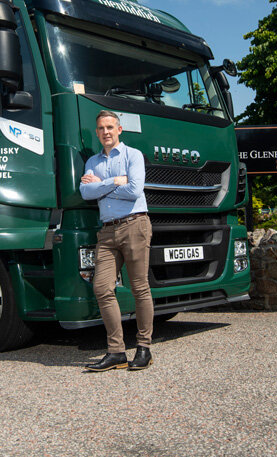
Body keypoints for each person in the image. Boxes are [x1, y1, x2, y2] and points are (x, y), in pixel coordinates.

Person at [79, 110, 154, 371]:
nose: (106, 132)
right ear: (97, 132)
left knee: (139, 288)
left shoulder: (133, 155)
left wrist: (102, 185)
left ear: (119, 129)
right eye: (101, 128)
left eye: (110, 127)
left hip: (135, 225)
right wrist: (114, 181)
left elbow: (135, 189)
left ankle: (143, 348)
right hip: (107, 231)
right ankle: (116, 351)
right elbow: (85, 192)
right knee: (101, 288)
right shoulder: (92, 162)